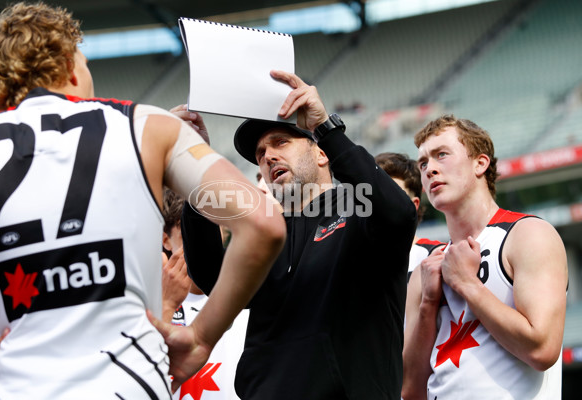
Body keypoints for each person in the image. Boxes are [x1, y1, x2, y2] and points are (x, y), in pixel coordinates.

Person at [0, 3, 285, 398]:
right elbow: (262, 221)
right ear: (71, 68)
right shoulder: (147, 125)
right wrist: (201, 337)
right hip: (131, 382)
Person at [177, 70, 418, 399]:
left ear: (321, 154)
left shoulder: (359, 210)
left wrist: (326, 129)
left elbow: (398, 213)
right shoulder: (264, 236)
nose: (268, 156)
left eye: (280, 142)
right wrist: (195, 164)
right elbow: (211, 278)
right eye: (261, 154)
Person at [402, 115, 568, 399]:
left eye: (442, 155)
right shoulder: (425, 269)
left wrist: (468, 284)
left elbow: (542, 350)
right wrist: (429, 302)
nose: (430, 169)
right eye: (423, 163)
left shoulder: (528, 234)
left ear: (480, 163)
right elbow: (410, 389)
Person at [161, 188, 248, 400]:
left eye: (211, 227)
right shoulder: (152, 305)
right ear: (166, 241)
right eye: (187, 232)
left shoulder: (249, 293)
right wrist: (166, 305)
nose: (199, 242)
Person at [374, 152, 445, 282]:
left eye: (393, 195)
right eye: (376, 194)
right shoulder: (349, 262)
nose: (382, 202)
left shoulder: (438, 256)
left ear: (413, 205)